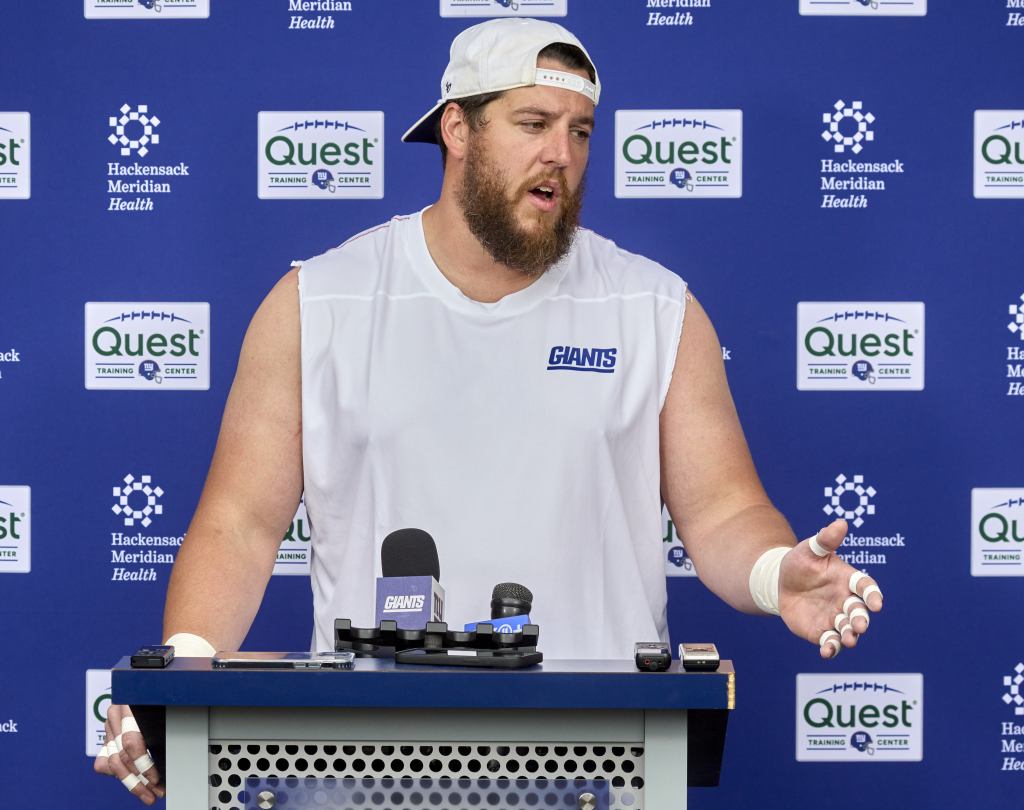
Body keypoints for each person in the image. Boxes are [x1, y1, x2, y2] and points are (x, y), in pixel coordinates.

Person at [94, 18, 883, 804]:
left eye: (580, 131)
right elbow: (239, 524)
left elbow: (723, 512)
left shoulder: (655, 308)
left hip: (599, 767)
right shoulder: (318, 303)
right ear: (457, 129)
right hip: (366, 768)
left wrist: (777, 574)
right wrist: (177, 674)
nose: (561, 154)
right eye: (533, 124)